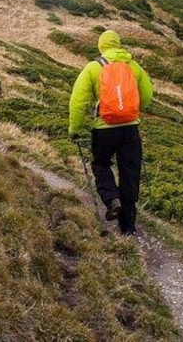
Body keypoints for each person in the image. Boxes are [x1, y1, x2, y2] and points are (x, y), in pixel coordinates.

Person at [69, 30, 153, 235]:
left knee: (101, 164)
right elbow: (148, 95)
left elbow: (78, 101)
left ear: (101, 46)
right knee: (130, 174)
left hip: (104, 129)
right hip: (130, 129)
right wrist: (131, 111)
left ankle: (111, 199)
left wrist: (75, 129)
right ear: (119, 45)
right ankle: (128, 227)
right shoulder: (133, 67)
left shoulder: (93, 68)